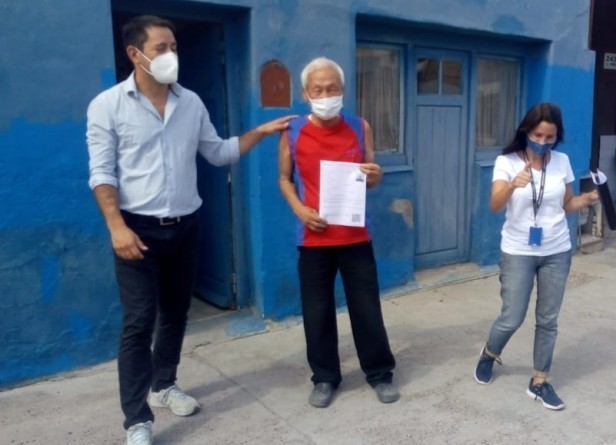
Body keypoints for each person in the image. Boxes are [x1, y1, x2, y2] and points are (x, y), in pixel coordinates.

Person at [86, 15, 294, 445]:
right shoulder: (108, 105)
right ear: (135, 54)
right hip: (137, 230)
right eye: (161, 48)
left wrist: (259, 132)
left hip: (185, 225)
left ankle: (163, 385)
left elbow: (218, 153)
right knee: (139, 322)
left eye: (174, 47)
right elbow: (102, 173)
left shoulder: (191, 103)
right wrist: (116, 227)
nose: (171, 55)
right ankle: (137, 421)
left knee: (176, 313)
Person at [278, 57, 398, 408]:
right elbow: (284, 178)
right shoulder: (292, 132)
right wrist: (299, 209)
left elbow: (372, 174)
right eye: (318, 90)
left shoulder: (360, 127)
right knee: (317, 312)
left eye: (332, 88)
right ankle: (325, 377)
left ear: (343, 90)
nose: (326, 95)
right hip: (313, 239)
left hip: (356, 236)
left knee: (366, 308)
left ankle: (379, 373)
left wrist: (376, 176)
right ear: (305, 93)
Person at [474, 103, 599, 410]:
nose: (543, 142)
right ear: (526, 132)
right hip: (518, 250)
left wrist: (587, 199)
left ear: (557, 137)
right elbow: (495, 205)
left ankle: (539, 381)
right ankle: (490, 353)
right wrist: (512, 185)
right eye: (537, 135)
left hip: (557, 249)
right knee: (512, 317)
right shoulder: (506, 162)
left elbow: (567, 204)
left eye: (549, 137)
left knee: (548, 319)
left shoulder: (562, 161)